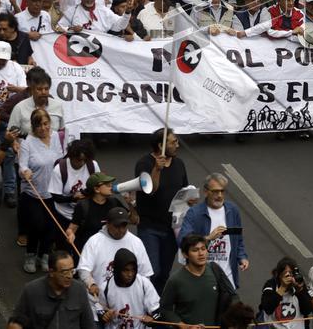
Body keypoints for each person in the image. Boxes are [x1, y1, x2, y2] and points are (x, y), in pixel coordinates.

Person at [135, 128, 188, 292]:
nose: (177, 145)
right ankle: (146, 302)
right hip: (150, 227)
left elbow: (184, 190)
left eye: (177, 141)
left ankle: (157, 306)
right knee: (153, 271)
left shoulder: (179, 164)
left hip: (171, 228)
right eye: (173, 142)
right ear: (160, 145)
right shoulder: (144, 164)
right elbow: (150, 190)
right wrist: (157, 169)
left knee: (164, 273)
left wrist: (189, 199)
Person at [178, 172, 249, 289]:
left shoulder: (232, 210)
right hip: (203, 279)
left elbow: (238, 239)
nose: (219, 195)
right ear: (206, 192)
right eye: (215, 191)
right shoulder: (194, 213)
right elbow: (183, 240)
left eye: (222, 191)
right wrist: (208, 238)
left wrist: (242, 257)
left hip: (228, 278)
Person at [18, 108, 63, 274]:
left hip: (54, 191)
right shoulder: (27, 143)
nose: (43, 128)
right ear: (33, 127)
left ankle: (43, 255)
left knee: (51, 226)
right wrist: (25, 171)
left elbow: (61, 159)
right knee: (37, 225)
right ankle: (30, 254)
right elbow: (22, 165)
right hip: (34, 193)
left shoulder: (56, 137)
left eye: (46, 124)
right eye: (39, 125)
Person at [159, 234, 239, 327]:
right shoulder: (175, 280)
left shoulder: (215, 270)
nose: (201, 253)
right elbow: (165, 309)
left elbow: (233, 296)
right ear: (185, 254)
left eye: (203, 249)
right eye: (195, 250)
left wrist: (239, 313)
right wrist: (184, 326)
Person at [77, 206, 153, 300]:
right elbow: (83, 269)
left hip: (130, 298)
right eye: (117, 226)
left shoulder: (136, 242)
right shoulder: (94, 241)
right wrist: (91, 283)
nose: (121, 230)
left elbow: (145, 274)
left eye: (124, 226)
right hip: (101, 298)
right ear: (108, 224)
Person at [15, 250, 96, 329]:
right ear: (51, 272)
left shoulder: (79, 290)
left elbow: (88, 324)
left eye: (72, 271)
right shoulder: (31, 290)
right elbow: (16, 323)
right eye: (65, 272)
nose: (70, 276)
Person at [99, 248, 161, 329]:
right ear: (118, 269)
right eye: (126, 270)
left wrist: (152, 319)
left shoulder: (144, 283)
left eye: (133, 270)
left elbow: (157, 312)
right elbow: (99, 311)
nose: (130, 274)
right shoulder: (105, 288)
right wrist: (104, 316)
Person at [258, 256, 313, 328]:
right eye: (285, 274)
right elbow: (268, 309)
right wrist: (282, 288)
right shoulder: (271, 285)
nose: (288, 277)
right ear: (279, 275)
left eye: (291, 273)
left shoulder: (299, 284)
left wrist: (299, 290)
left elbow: (307, 310)